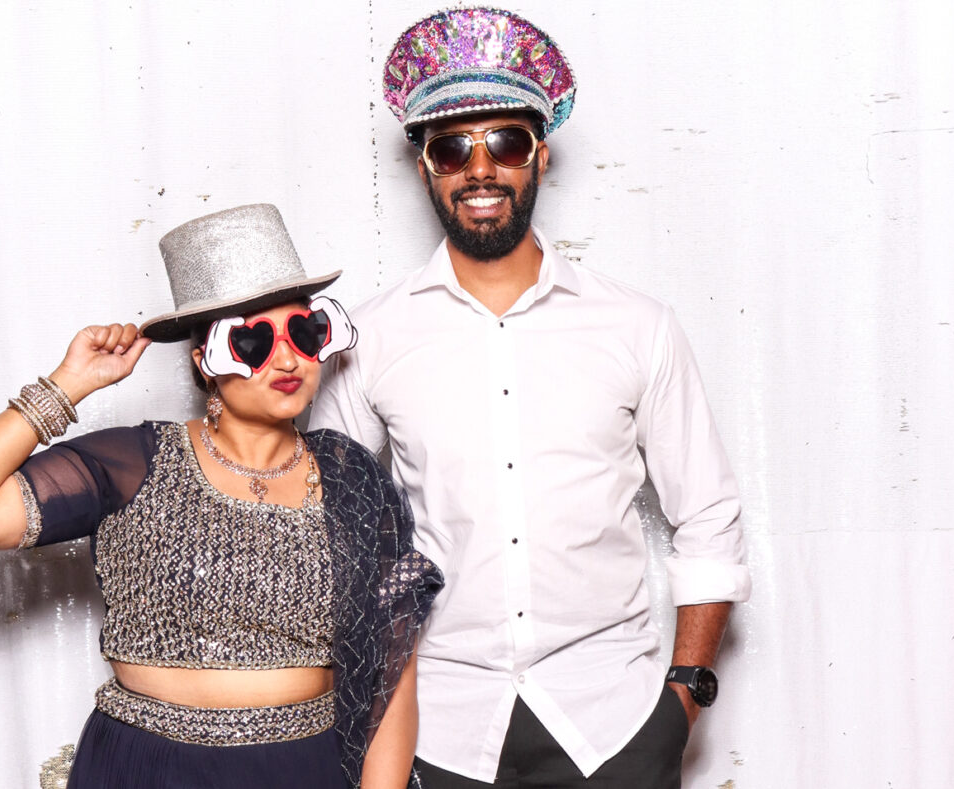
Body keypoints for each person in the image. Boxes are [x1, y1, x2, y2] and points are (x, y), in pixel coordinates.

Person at [310, 9, 751, 789]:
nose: (480, 168)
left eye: (505, 142)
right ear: (426, 169)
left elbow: (708, 517)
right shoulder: (371, 336)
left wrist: (683, 698)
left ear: (540, 154)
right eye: (452, 148)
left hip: (614, 721)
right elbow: (332, 533)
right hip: (436, 728)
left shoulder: (637, 326)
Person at [0, 203, 442, 789]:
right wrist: (68, 385)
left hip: (306, 769)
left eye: (304, 333)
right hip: (145, 768)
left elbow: (391, 669)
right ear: (205, 360)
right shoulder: (131, 464)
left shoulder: (352, 475)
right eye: (254, 340)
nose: (286, 358)